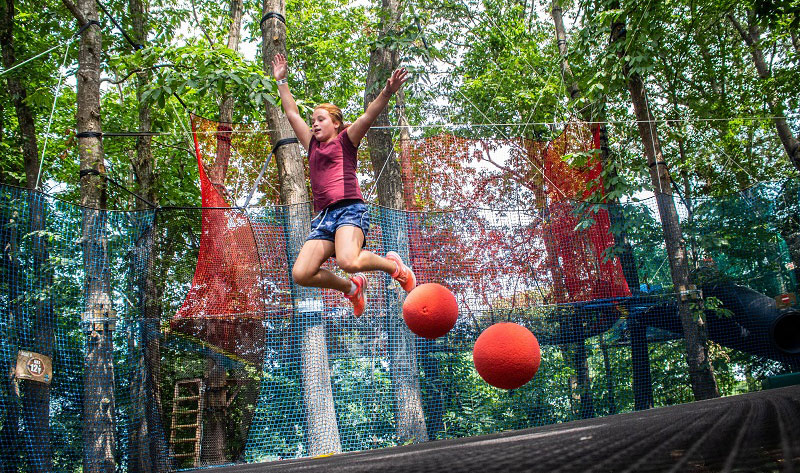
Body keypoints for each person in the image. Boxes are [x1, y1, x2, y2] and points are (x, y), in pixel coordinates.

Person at [271, 53, 416, 317]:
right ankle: (352, 289)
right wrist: (281, 81)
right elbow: (291, 113)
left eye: (321, 119)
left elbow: (369, 116)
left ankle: (395, 267)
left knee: (348, 260)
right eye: (313, 120)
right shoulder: (312, 145)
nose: (314, 123)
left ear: (336, 123)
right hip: (324, 218)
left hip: (350, 210)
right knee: (302, 273)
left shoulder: (346, 141)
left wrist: (387, 91)